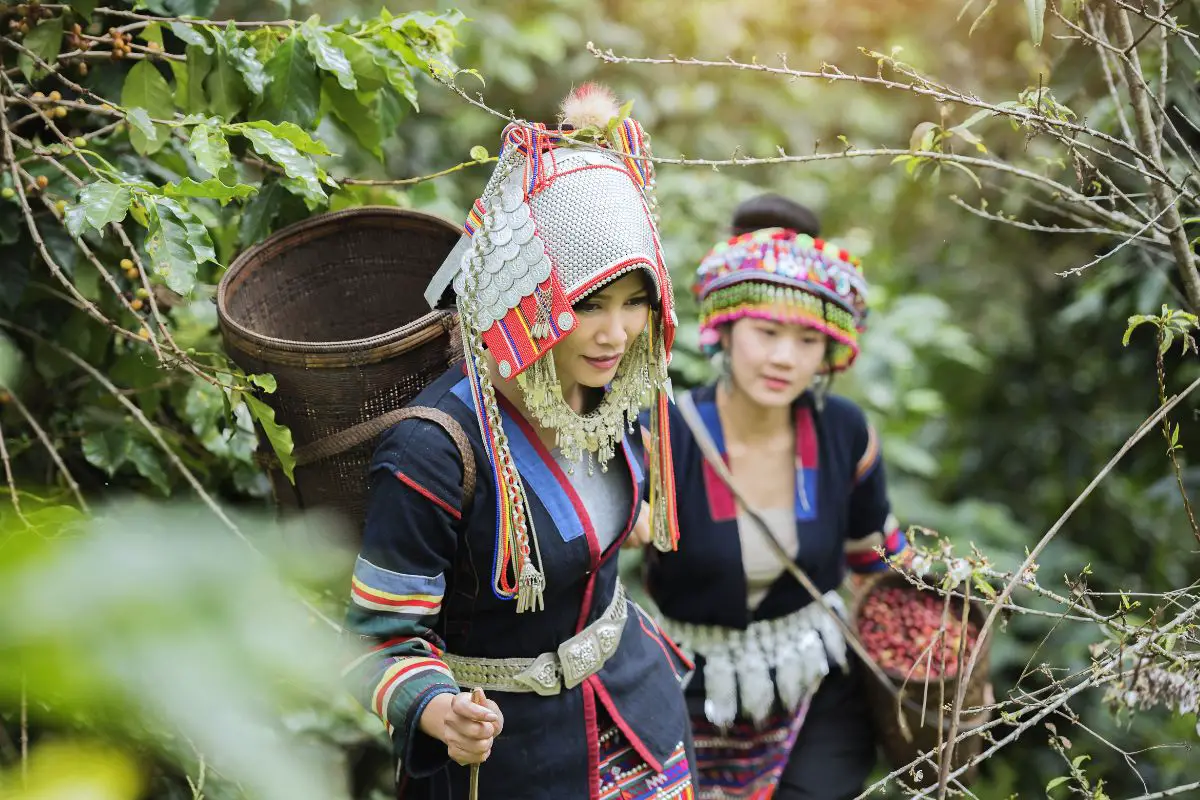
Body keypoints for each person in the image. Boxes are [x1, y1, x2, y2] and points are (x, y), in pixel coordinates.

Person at [341, 84, 696, 800]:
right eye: (589, 304)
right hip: (509, 759)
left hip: (638, 715)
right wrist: (439, 710)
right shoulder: (433, 450)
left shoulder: (613, 391)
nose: (617, 333)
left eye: (636, 303)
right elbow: (374, 641)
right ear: (530, 295)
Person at [639, 197, 908, 799]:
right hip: (683, 693)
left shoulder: (844, 432)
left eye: (808, 341)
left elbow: (877, 560)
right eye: (766, 332)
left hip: (817, 690)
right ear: (726, 331)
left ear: (829, 353)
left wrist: (946, 611)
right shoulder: (663, 435)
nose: (785, 358)